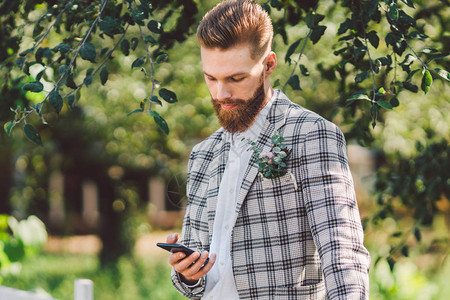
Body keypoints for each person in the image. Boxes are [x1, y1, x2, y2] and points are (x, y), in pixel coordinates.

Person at [166, 0, 371, 299]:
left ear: (268, 65)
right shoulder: (202, 155)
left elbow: (343, 255)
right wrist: (187, 273)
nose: (221, 93)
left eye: (236, 78)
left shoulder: (311, 135)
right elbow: (198, 278)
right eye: (211, 78)